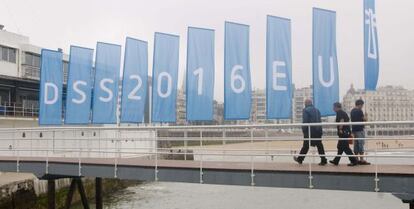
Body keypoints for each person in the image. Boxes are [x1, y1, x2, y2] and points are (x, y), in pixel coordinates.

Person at [294, 99, 327, 166]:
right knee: (319, 145)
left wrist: (303, 130)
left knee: (306, 145)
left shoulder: (306, 110)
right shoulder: (317, 110)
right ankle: (323, 159)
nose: (304, 104)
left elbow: (305, 121)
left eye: (304, 103)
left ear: (306, 103)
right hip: (318, 131)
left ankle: (300, 159)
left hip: (310, 131)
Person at [329, 102, 358, 166]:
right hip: (346, 132)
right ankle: (336, 160)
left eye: (333, 107)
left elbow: (342, 120)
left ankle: (354, 161)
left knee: (346, 147)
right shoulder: (342, 112)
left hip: (343, 132)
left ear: (336, 107)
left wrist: (340, 129)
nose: (333, 108)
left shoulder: (340, 112)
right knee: (340, 147)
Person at [351, 99, 371, 165]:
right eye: (362, 105)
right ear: (360, 105)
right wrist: (366, 115)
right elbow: (365, 120)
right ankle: (361, 160)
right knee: (361, 144)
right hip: (360, 129)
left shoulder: (352, 111)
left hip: (354, 130)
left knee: (356, 144)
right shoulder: (359, 111)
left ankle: (356, 159)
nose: (362, 106)